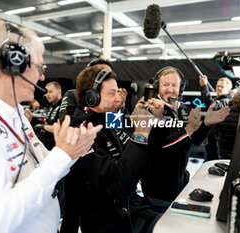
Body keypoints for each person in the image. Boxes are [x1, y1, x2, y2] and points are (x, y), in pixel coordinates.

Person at [0, 19, 102, 233]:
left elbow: (41, 163)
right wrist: (62, 156)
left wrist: (72, 150)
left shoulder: (13, 110)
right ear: (13, 64)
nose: (42, 76)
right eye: (39, 67)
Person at [61, 66, 166, 233]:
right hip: (108, 219)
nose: (118, 98)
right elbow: (119, 185)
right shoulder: (82, 132)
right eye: (112, 93)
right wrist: (141, 132)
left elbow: (134, 149)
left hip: (131, 206)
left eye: (118, 92)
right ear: (91, 97)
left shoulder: (110, 117)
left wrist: (153, 122)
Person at [141, 66, 230, 202]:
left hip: (180, 181)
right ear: (158, 87)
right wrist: (187, 130)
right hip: (158, 186)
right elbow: (159, 147)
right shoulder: (150, 110)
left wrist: (206, 124)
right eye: (166, 85)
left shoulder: (183, 109)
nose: (170, 89)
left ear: (180, 88)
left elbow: (194, 141)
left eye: (174, 85)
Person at [58, 58, 127, 122]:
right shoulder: (72, 94)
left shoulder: (111, 100)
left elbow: (117, 129)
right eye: (100, 73)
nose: (106, 77)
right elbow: (64, 121)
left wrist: (119, 108)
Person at [199, 76, 233, 161]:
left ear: (228, 90)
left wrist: (204, 86)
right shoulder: (218, 100)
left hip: (217, 143)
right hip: (211, 140)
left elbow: (211, 105)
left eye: (222, 86)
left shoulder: (227, 101)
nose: (219, 88)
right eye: (218, 86)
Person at [42, 81, 63, 149]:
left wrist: (44, 127)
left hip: (56, 146)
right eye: (46, 92)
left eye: (50, 92)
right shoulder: (51, 106)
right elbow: (48, 122)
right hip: (47, 144)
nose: (47, 95)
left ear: (59, 92)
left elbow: (60, 129)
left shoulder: (63, 106)